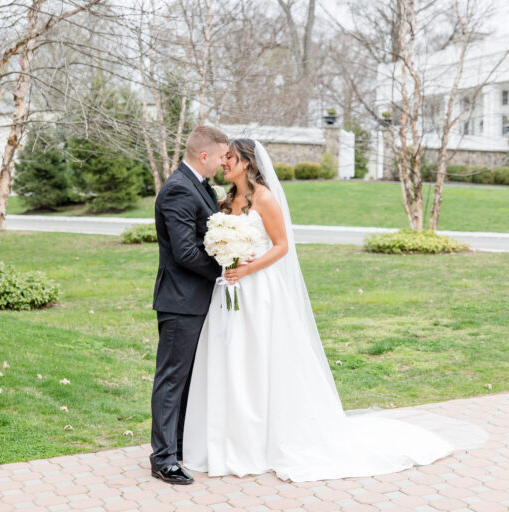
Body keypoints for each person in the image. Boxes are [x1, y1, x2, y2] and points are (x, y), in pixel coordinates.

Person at [182, 139, 453, 482]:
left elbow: (281, 246)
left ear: (247, 162)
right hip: (228, 293)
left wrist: (246, 269)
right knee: (230, 358)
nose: (224, 163)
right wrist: (225, 258)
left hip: (259, 292)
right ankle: (227, 439)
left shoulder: (264, 197)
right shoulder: (224, 199)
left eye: (230, 158)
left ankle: (260, 443)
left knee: (258, 360)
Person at [149, 126, 228, 485]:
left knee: (187, 378)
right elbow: (184, 252)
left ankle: (178, 445)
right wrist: (225, 267)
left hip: (195, 298)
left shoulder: (200, 186)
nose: (224, 162)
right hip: (180, 300)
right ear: (204, 156)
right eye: (222, 156)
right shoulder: (179, 189)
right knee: (172, 378)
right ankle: (163, 458)